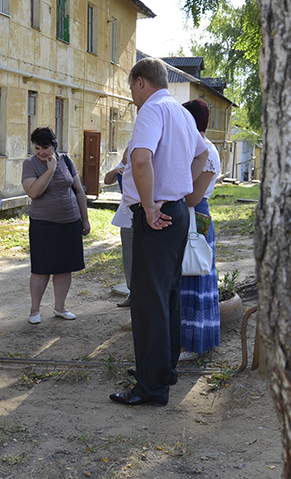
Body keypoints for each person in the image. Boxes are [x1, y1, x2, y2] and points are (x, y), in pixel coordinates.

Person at [110, 57, 208, 407]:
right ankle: (162, 370)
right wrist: (184, 191)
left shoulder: (152, 110)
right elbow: (203, 157)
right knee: (167, 295)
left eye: (132, 90)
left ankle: (151, 388)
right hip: (177, 210)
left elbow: (140, 159)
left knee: (149, 301)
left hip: (158, 214)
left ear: (140, 82)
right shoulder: (181, 112)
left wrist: (151, 205)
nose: (133, 98)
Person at [21, 127, 90, 324]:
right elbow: (33, 192)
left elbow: (78, 191)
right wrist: (50, 170)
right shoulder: (30, 164)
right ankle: (35, 310)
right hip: (43, 224)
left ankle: (60, 307)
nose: (41, 152)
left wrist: (84, 219)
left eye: (45, 148)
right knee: (41, 269)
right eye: (37, 148)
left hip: (70, 222)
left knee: (64, 267)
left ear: (54, 145)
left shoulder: (67, 160)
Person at [179, 99, 222, 359]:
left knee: (195, 274)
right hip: (190, 216)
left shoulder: (206, 151)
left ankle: (193, 344)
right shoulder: (196, 147)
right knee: (187, 275)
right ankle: (186, 340)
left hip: (197, 217)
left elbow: (193, 198)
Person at [104, 143, 134, 310]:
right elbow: (107, 180)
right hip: (126, 217)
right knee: (128, 255)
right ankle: (132, 292)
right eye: (127, 151)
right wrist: (117, 169)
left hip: (145, 215)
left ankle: (144, 293)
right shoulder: (123, 167)